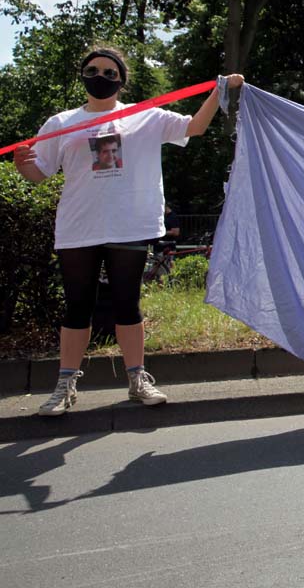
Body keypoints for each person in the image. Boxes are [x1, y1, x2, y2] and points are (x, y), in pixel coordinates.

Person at [12, 45, 243, 416]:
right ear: (82, 75)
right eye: (93, 71)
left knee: (127, 305)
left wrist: (219, 90)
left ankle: (138, 380)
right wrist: (23, 165)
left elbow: (194, 127)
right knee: (77, 309)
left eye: (109, 72)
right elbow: (39, 174)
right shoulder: (60, 123)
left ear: (121, 80)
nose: (100, 78)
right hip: (78, 229)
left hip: (128, 227)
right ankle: (64, 385)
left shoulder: (145, 117)